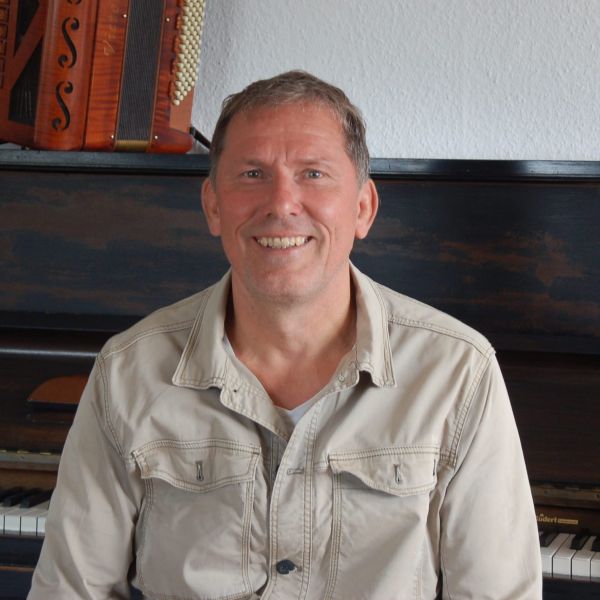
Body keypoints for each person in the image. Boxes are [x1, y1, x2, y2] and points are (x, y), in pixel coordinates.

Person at [29, 71, 542, 599]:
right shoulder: (128, 371)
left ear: (363, 208)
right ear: (213, 205)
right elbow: (70, 591)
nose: (281, 203)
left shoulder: (458, 371)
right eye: (253, 174)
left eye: (313, 174)